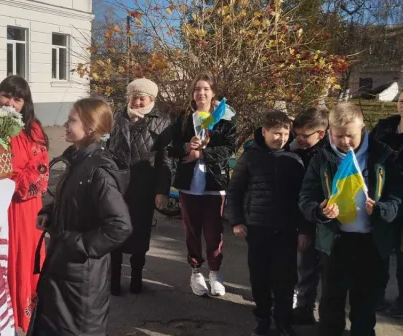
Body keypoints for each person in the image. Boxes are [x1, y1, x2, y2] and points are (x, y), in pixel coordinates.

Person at [299, 102, 402, 336]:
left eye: (350, 136)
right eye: (339, 136)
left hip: (372, 244)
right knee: (331, 304)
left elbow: (398, 198)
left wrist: (381, 209)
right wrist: (319, 210)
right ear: (330, 133)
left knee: (365, 306)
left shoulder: (383, 156)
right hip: (336, 242)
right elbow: (306, 196)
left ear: (363, 129)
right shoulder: (321, 159)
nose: (345, 142)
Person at [32, 98, 132, 336]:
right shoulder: (78, 160)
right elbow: (75, 200)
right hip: (63, 268)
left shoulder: (98, 170)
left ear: (90, 127)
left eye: (72, 120)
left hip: (81, 277)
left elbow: (120, 226)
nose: (65, 124)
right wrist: (50, 212)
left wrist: (78, 244)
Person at [226, 111, 309, 336]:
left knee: (285, 278)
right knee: (259, 277)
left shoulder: (294, 160)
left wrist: (303, 230)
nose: (280, 138)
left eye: (284, 134)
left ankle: (283, 320)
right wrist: (237, 221)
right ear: (264, 132)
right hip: (257, 227)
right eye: (275, 133)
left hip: (286, 230)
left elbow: (302, 198)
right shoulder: (250, 157)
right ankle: (262, 317)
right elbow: (234, 191)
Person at [0, 75, 50, 333]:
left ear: (25, 103)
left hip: (24, 208)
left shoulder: (32, 130)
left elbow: (40, 170)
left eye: (17, 99)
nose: (10, 103)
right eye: (6, 95)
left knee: (24, 258)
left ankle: (24, 320)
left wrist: (8, 180)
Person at [169, 73, 236, 296]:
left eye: (206, 89)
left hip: (214, 184)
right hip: (189, 185)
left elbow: (229, 148)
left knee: (214, 232)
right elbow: (172, 147)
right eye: (197, 89)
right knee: (192, 231)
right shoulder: (185, 117)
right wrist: (187, 146)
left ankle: (215, 272)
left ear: (213, 92)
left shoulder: (225, 117)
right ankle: (196, 270)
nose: (201, 93)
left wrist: (202, 154)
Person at [107, 78, 172, 295]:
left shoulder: (162, 122)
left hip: (143, 186)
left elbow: (166, 159)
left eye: (141, 97)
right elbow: (106, 148)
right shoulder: (117, 116)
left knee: (140, 233)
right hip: (116, 184)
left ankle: (136, 277)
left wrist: (162, 190)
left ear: (151, 99)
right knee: (114, 229)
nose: (136, 101)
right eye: (133, 97)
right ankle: (113, 279)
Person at [289, 106, 329, 325]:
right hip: (304, 217)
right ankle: (304, 307)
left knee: (325, 270)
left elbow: (311, 194)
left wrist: (305, 229)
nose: (300, 139)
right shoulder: (298, 150)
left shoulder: (327, 156)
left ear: (321, 134)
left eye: (305, 135)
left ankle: (326, 312)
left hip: (323, 220)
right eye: (297, 135)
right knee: (305, 267)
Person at [368, 93, 403, 318]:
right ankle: (376, 296)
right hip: (383, 196)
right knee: (378, 250)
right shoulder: (384, 127)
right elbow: (368, 151)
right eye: (402, 101)